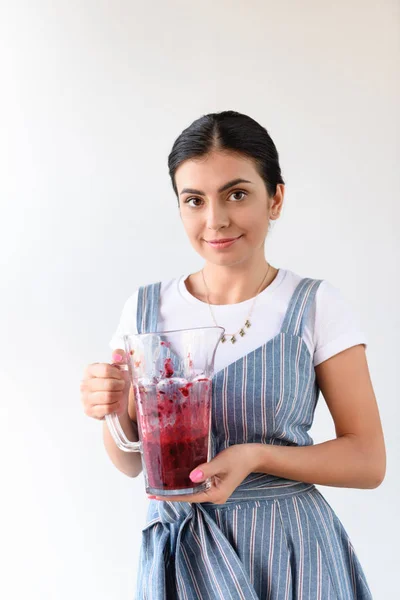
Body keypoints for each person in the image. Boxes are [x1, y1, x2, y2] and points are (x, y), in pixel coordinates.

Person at [81, 110, 386, 599]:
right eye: (194, 200)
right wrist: (116, 411)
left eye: (237, 194)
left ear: (276, 198)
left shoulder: (314, 306)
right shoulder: (145, 310)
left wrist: (257, 457)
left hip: (290, 551)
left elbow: (368, 461)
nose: (215, 219)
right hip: (181, 551)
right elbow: (130, 463)